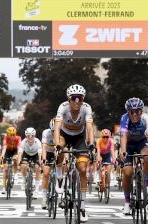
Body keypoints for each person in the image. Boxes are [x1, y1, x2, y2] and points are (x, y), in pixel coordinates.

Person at [53, 84, 95, 222]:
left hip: (79, 138)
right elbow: (57, 127)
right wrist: (57, 145)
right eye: (74, 98)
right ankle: (59, 177)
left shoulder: (86, 108)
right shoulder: (63, 107)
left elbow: (89, 127)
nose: (77, 101)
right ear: (69, 99)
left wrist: (92, 144)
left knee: (83, 169)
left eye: (80, 98)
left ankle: (82, 207)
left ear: (83, 99)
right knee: (59, 147)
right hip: (64, 135)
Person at [119, 97, 148, 215]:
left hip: (141, 142)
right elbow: (123, 136)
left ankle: (147, 185)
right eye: (131, 112)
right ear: (128, 112)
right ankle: (127, 203)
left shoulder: (146, 118)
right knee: (128, 172)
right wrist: (123, 151)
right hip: (128, 145)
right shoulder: (124, 119)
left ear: (141, 111)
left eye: (137, 111)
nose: (135, 114)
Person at [41, 118, 65, 209]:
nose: (54, 133)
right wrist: (43, 159)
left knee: (61, 158)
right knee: (46, 173)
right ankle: (44, 199)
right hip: (48, 153)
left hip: (57, 151)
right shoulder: (46, 133)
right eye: (52, 131)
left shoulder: (63, 133)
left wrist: (65, 160)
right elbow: (43, 147)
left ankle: (59, 178)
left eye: (56, 131)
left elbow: (64, 148)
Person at [19, 127, 42, 197]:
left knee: (37, 168)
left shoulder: (37, 142)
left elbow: (40, 154)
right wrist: (19, 162)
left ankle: (37, 190)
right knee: (23, 166)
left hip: (35, 155)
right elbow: (20, 153)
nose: (30, 137)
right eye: (28, 135)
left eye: (32, 135)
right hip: (26, 154)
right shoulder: (23, 142)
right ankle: (24, 181)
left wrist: (40, 162)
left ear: (34, 136)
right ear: (26, 136)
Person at [0, 126, 21, 194]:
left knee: (15, 159)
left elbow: (19, 149)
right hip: (8, 151)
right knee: (6, 169)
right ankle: (3, 187)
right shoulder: (6, 138)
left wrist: (18, 156)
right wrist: (2, 156)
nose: (12, 136)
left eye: (13, 135)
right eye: (10, 135)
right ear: (8, 134)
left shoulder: (18, 138)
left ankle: (15, 173)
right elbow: (4, 148)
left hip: (15, 151)